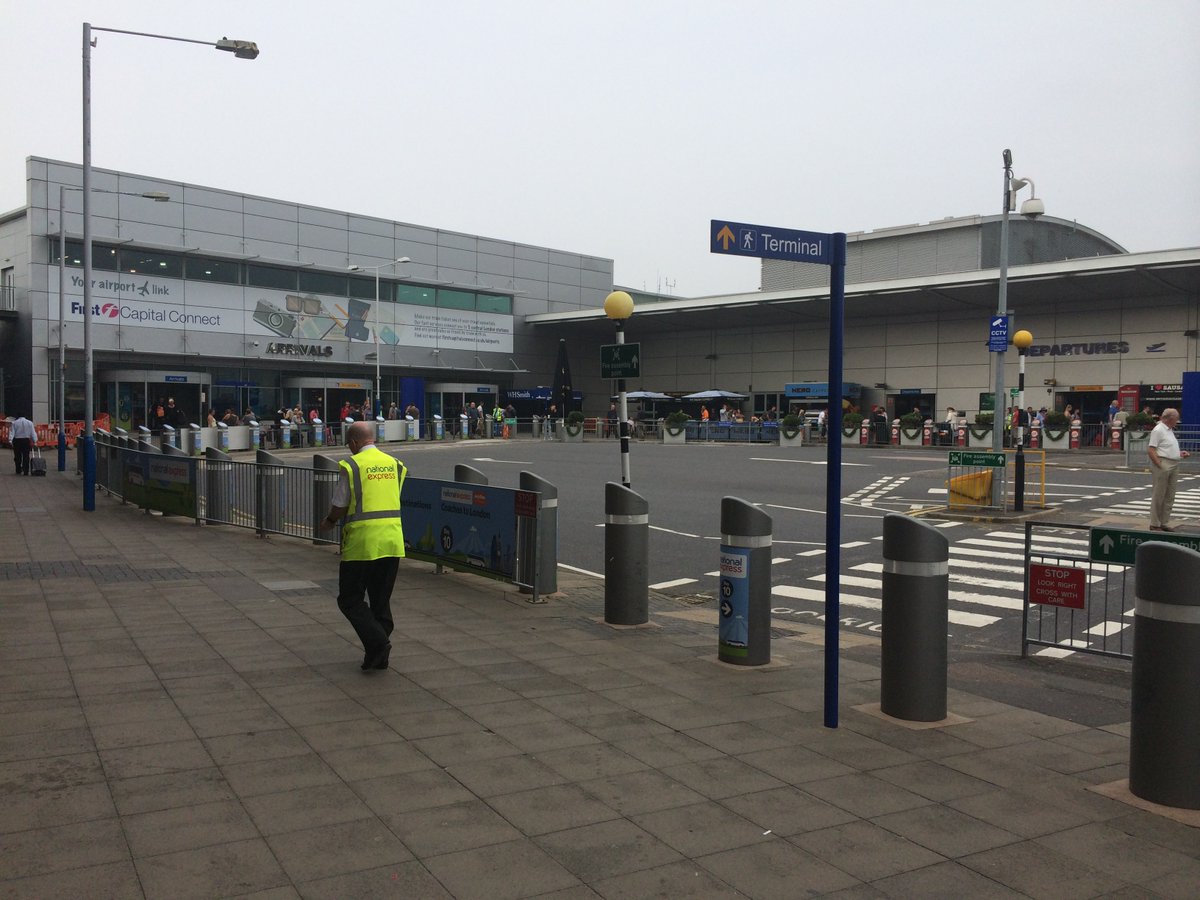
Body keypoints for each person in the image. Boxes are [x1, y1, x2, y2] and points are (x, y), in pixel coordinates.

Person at [320, 421, 407, 670]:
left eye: (349, 444)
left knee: (349, 599)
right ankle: (378, 656)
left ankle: (379, 644)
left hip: (362, 542)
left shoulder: (353, 465)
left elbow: (340, 504)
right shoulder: (395, 464)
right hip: (392, 541)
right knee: (381, 601)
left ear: (354, 442)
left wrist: (329, 521)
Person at [1147, 408, 1190, 532]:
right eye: (1176, 419)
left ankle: (1164, 522)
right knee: (1159, 494)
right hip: (1164, 463)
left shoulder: (1169, 430)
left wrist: (1179, 454)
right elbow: (1151, 449)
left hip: (1174, 463)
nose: (1177, 421)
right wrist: (1159, 464)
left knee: (1170, 495)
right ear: (1170, 419)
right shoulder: (1158, 430)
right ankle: (1155, 523)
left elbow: (1166, 447)